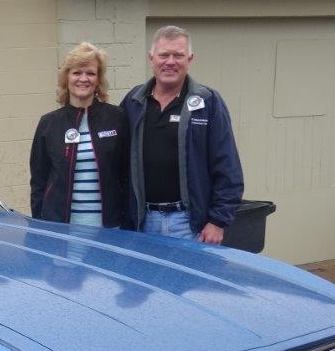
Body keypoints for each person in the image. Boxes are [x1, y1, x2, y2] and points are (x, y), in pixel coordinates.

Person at [121, 26, 243, 243]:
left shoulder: (208, 102)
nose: (170, 62)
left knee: (187, 279)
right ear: (151, 58)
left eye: (178, 55)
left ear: (190, 59)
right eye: (163, 55)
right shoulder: (133, 101)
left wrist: (218, 221)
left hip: (189, 225)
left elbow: (227, 166)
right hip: (140, 223)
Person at [30, 42, 129, 228]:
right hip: (62, 228)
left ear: (98, 80)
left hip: (110, 228)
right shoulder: (48, 124)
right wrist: (39, 226)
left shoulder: (117, 118)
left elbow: (126, 175)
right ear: (66, 78)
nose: (84, 78)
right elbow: (38, 182)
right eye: (76, 72)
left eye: (91, 73)